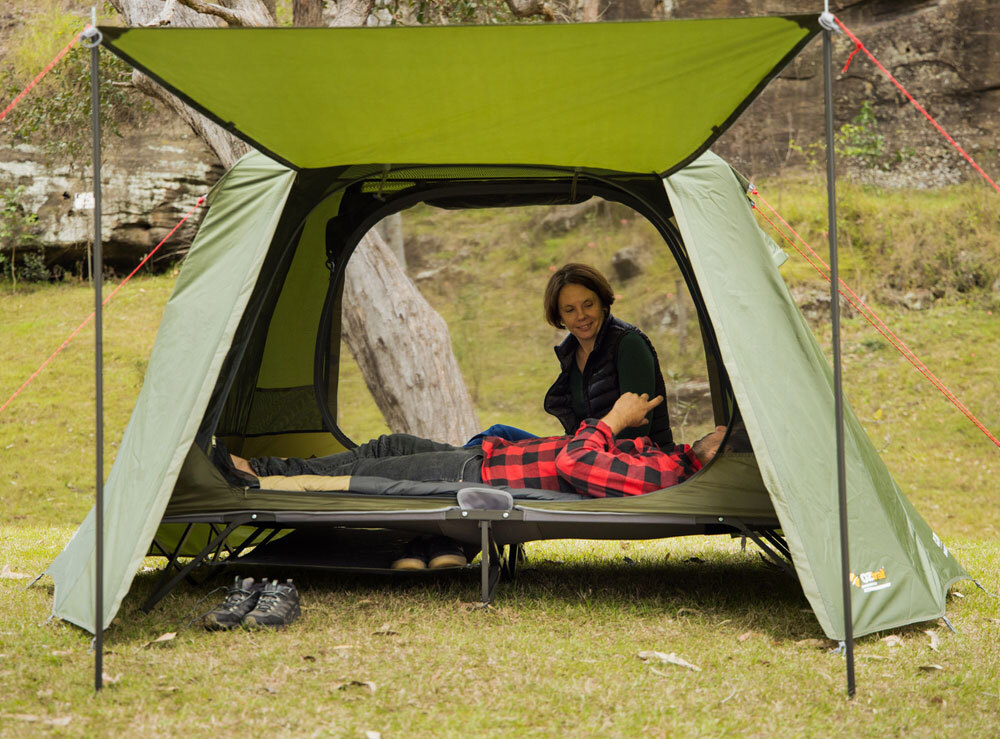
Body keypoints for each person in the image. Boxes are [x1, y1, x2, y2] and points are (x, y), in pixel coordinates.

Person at [225, 393, 736, 500]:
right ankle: (263, 466)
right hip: (488, 459)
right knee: (387, 445)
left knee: (370, 472)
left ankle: (255, 476)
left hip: (479, 479)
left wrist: (614, 420)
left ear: (724, 454)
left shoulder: (668, 476)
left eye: (726, 433)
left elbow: (575, 461)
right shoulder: (674, 458)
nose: (717, 427)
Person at [542, 263, 673, 449]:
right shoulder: (570, 354)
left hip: (640, 457)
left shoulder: (629, 344)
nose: (581, 316)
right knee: (502, 434)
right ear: (559, 316)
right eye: (570, 310)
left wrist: (581, 450)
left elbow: (636, 433)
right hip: (587, 453)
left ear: (603, 303)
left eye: (588, 305)